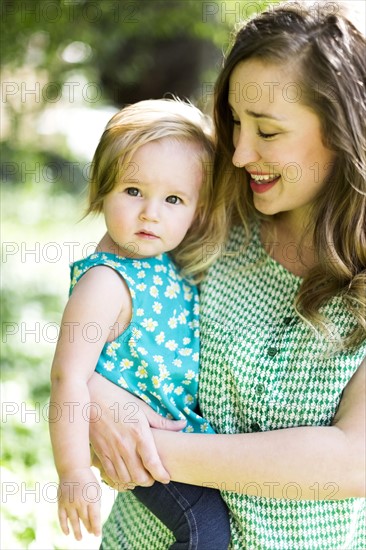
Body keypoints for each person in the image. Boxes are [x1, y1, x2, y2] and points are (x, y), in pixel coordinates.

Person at [87, 1, 366, 549]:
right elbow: (96, 304)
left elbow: (353, 458)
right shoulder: (203, 206)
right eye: (235, 122)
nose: (239, 153)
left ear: (342, 130)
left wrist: (139, 444)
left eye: (267, 130)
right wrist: (94, 402)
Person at [49, 98, 231, 549]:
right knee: (206, 531)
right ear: (102, 190)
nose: (151, 212)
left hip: (181, 438)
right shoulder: (106, 281)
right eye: (133, 191)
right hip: (144, 448)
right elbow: (67, 377)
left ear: (197, 210)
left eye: (173, 199)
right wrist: (73, 472)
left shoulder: (162, 260)